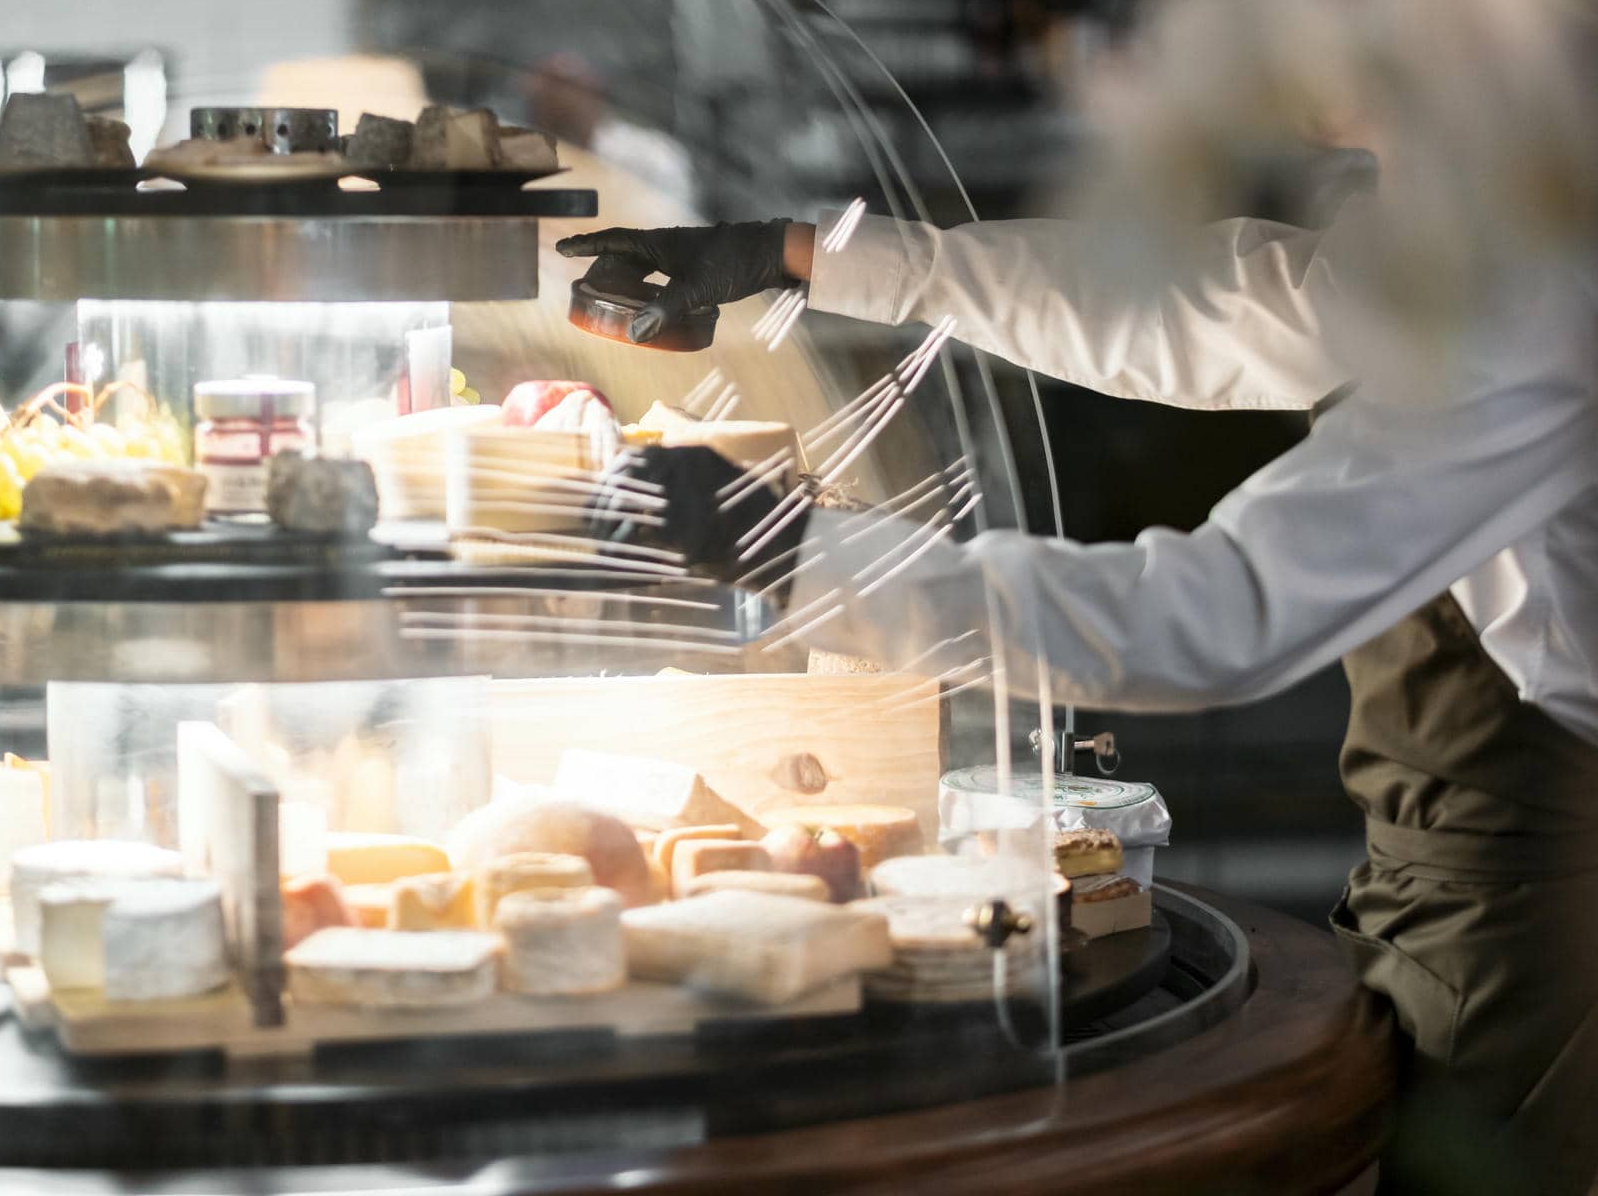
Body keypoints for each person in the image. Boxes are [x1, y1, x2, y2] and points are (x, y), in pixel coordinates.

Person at [557, 148, 1598, 1195]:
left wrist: (786, 545)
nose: (1331, 126)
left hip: (1535, 922)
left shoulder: (1539, 295)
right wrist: (800, 256)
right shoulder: (1486, 233)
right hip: (1462, 885)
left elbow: (1208, 615)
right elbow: (1207, 307)